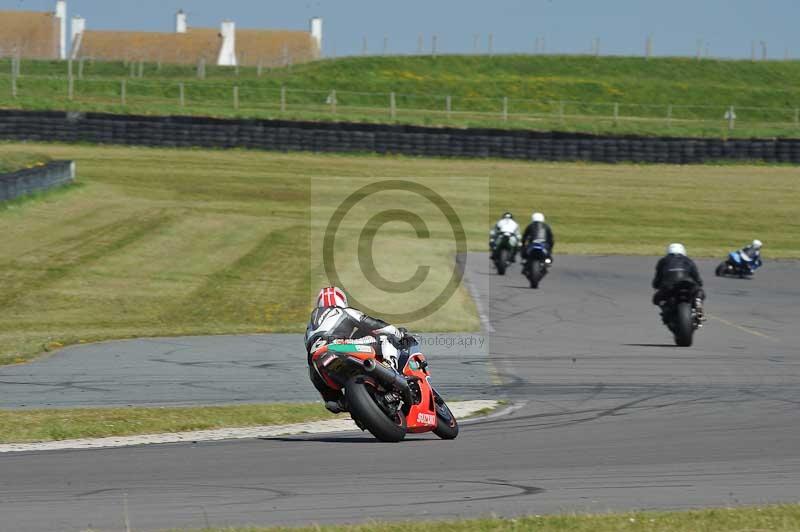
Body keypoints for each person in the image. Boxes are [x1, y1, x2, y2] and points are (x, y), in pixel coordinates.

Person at [305, 286, 408, 413]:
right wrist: (399, 333)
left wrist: (329, 397)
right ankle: (390, 367)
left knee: (334, 403)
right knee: (386, 337)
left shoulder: (309, 329)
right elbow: (372, 324)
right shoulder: (342, 311)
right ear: (342, 301)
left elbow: (311, 361)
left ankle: (344, 403)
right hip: (338, 346)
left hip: (319, 368)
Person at [651, 243, 706, 319]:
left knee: (656, 299)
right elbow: (696, 275)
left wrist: (655, 285)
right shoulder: (688, 260)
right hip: (688, 283)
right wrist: (699, 283)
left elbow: (658, 277)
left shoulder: (663, 261)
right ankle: (698, 304)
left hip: (669, 285)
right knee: (699, 291)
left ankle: (666, 312)